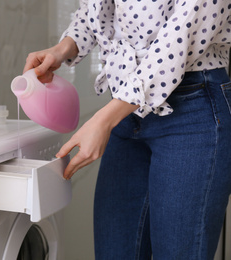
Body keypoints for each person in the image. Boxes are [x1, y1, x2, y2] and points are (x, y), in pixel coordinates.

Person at [23, 0, 231, 259]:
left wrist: (104, 120)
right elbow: (95, 10)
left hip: (190, 109)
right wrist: (62, 48)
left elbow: (178, 42)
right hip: (125, 111)